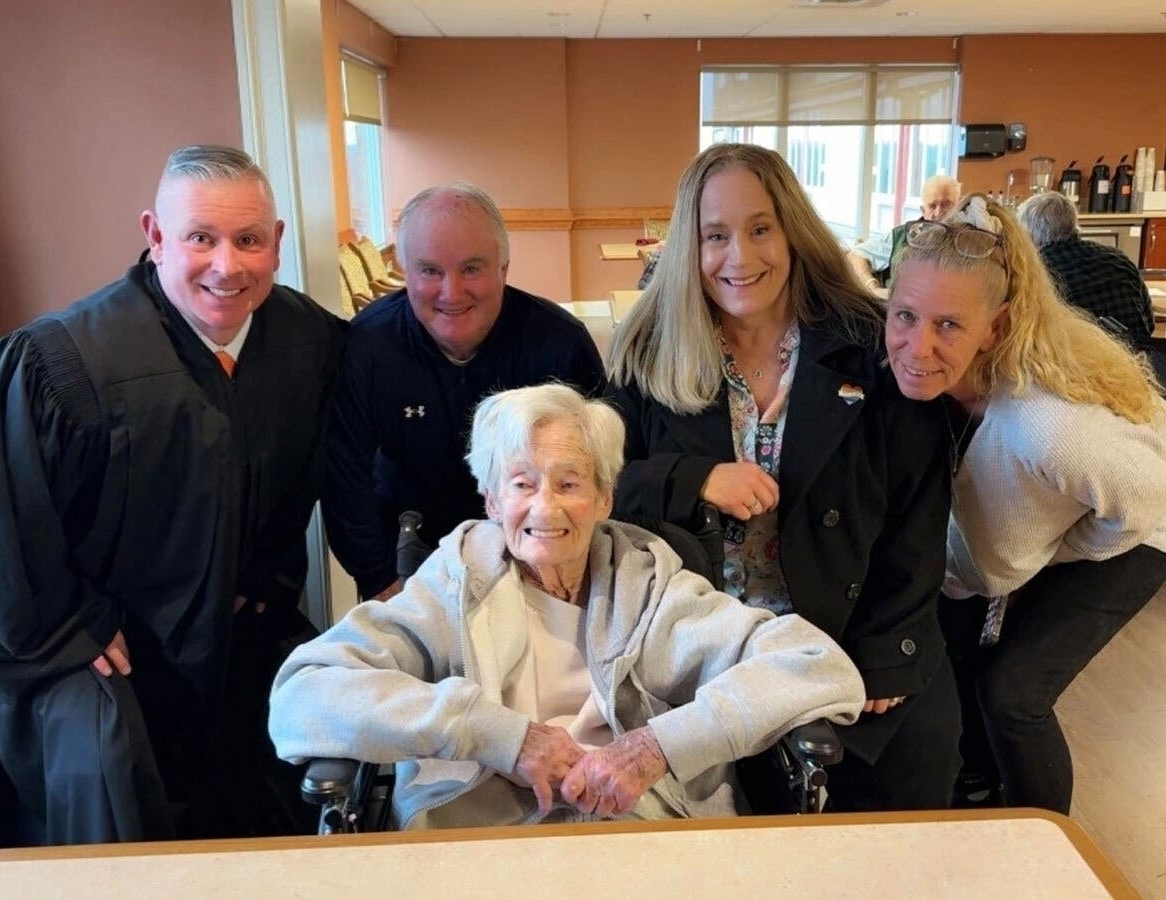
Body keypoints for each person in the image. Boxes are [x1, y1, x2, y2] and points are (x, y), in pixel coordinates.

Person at [0, 145, 346, 849]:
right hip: (108, 641)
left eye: (248, 240)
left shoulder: (310, 339)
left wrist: (262, 579)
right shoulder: (65, 362)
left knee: (314, 740)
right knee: (109, 773)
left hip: (239, 631)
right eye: (201, 237)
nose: (226, 266)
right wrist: (72, 622)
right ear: (155, 235)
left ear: (278, 243)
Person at [269, 383, 864, 828]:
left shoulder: (652, 586)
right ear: (491, 500)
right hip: (477, 835)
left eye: (570, 483)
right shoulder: (450, 585)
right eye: (522, 483)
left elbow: (815, 663)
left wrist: (660, 746)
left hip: (634, 829)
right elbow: (305, 690)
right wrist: (492, 734)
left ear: (606, 497)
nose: (546, 509)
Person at [605, 143, 960, 813]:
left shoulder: (872, 342)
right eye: (716, 235)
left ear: (793, 229)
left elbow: (922, 508)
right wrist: (692, 477)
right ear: (691, 244)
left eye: (760, 228)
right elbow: (594, 482)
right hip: (704, 655)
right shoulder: (649, 353)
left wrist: (887, 648)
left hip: (856, 636)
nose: (739, 257)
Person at [884, 192, 1166, 814]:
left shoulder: (1043, 428)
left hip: (1144, 525)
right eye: (904, 315)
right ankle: (971, 783)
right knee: (956, 649)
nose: (917, 345)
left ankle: (1043, 841)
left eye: (948, 325)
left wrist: (1062, 550)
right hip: (1079, 498)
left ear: (999, 326)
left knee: (1014, 690)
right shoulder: (927, 387)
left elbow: (1147, 497)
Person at [323, 183, 606, 603]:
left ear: (504, 268)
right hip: (408, 563)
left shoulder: (560, 344)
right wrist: (380, 580)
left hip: (538, 561)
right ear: (405, 269)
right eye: (430, 271)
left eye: (471, 269)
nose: (451, 293)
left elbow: (599, 471)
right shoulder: (368, 345)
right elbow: (345, 476)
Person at [1016, 190, 1153, 337]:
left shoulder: (1036, 272)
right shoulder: (1119, 258)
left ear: (1029, 233)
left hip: (1077, 357)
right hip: (1142, 355)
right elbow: (1149, 323)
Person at [849, 174, 961, 291]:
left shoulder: (969, 242)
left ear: (958, 206)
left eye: (946, 204)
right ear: (923, 210)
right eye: (932, 206)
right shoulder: (900, 237)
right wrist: (873, 287)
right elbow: (855, 256)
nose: (938, 213)